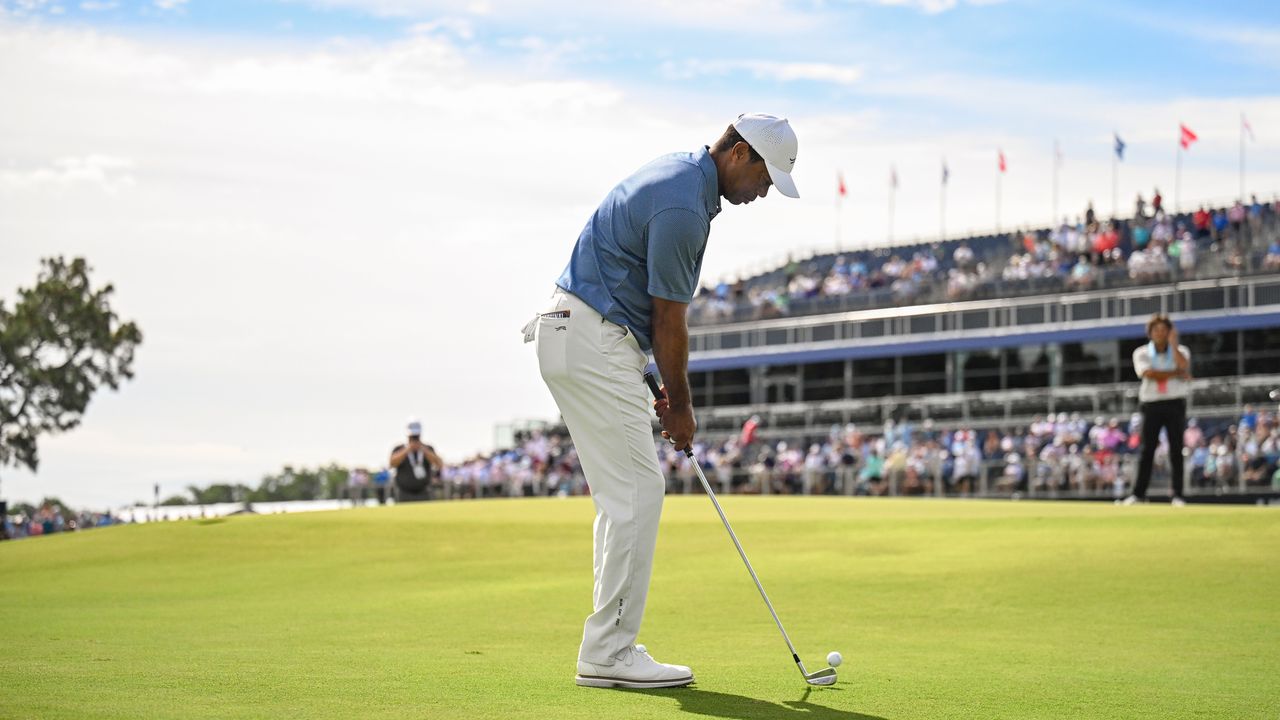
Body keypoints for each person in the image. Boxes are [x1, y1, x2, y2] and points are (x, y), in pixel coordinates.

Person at [525, 113, 799, 689]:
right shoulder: (683, 205)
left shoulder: (679, 177)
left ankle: (608, 645)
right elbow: (669, 318)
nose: (764, 190)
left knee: (621, 494)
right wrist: (680, 405)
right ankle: (608, 653)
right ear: (740, 153)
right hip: (593, 336)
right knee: (639, 490)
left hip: (574, 332)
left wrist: (645, 368)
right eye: (765, 176)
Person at [1120, 315, 1192, 506]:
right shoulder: (1142, 352)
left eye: (1163, 330)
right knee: (1147, 451)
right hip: (1151, 404)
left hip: (1175, 403)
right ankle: (1138, 494)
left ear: (1169, 332)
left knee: (1176, 450)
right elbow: (1148, 374)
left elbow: (1184, 364)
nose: (1160, 334)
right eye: (1156, 330)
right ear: (1150, 333)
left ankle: (1177, 494)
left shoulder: (1181, 351)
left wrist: (1174, 344)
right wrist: (1177, 373)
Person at [389, 419, 443, 502]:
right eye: (412, 437)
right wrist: (407, 450)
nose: (414, 439)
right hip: (404, 492)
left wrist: (424, 450)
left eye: (416, 436)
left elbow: (439, 464)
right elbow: (392, 463)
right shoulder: (399, 448)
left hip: (424, 492)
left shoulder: (428, 448)